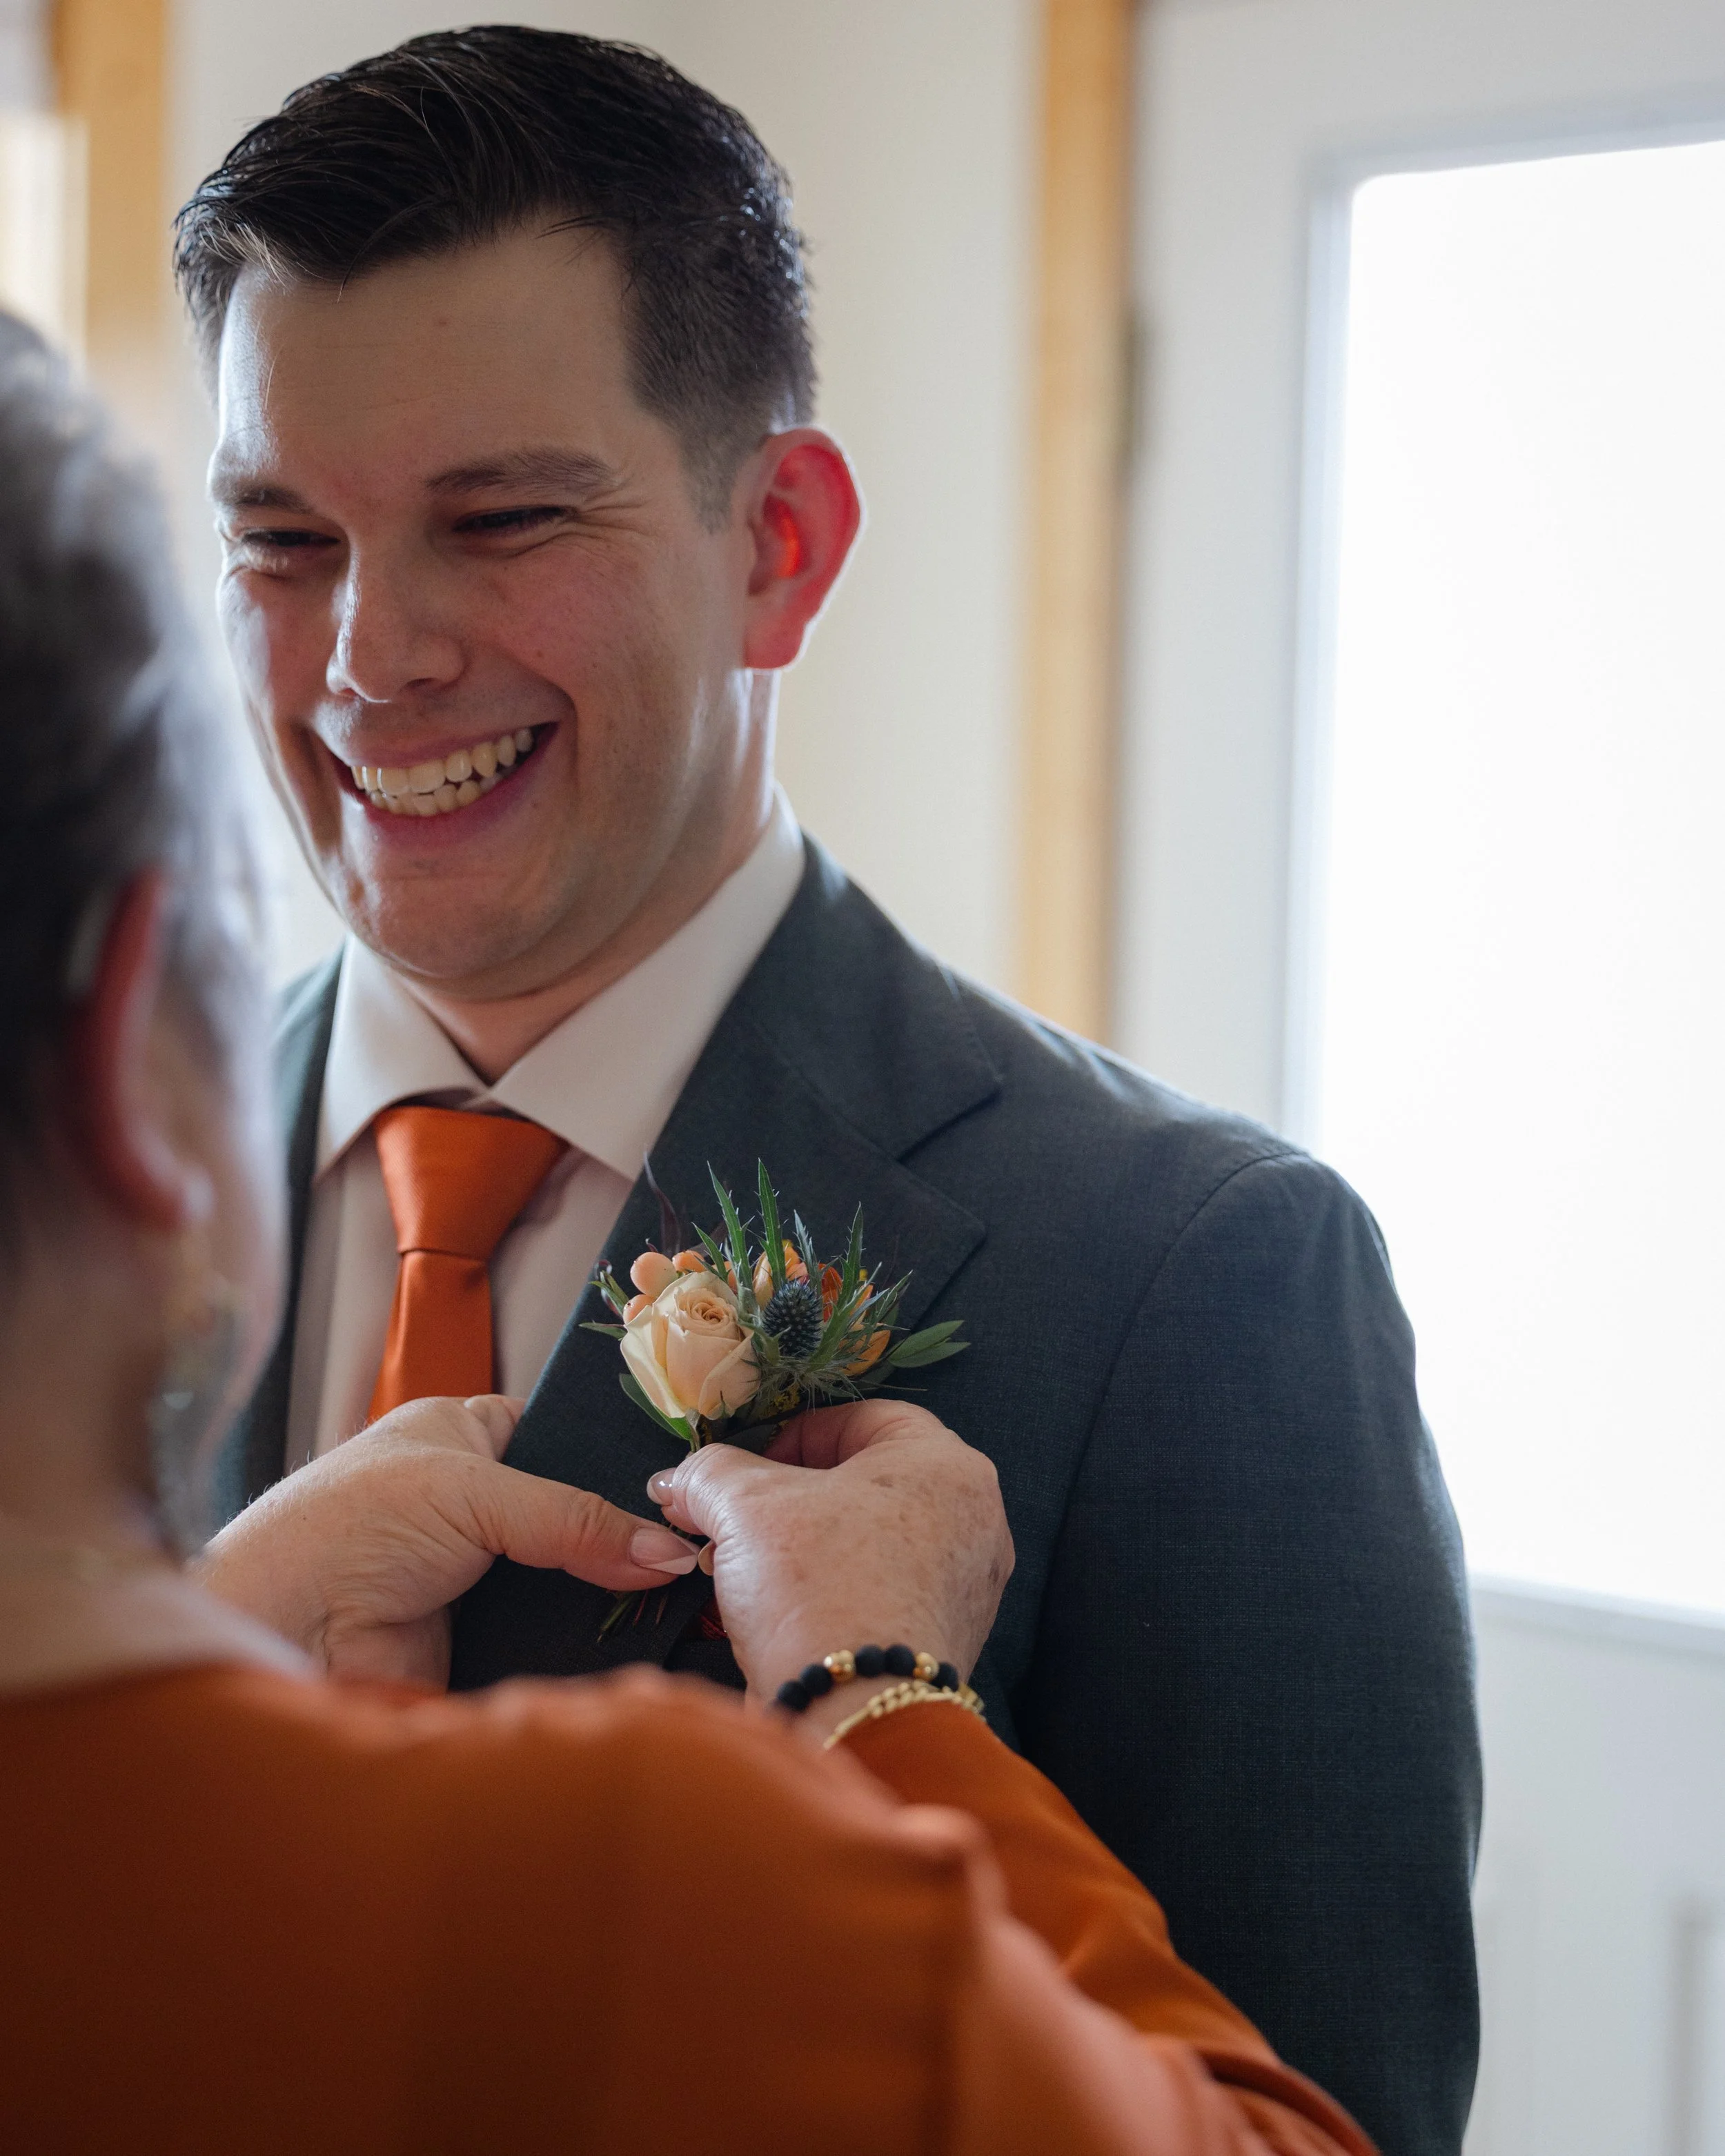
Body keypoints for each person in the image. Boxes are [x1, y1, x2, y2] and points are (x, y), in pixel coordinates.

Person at [175, 28, 1479, 2152]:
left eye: (496, 520)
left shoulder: (1202, 1281)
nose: (366, 658)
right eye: (280, 537)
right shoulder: (72, 1184)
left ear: (778, 540)